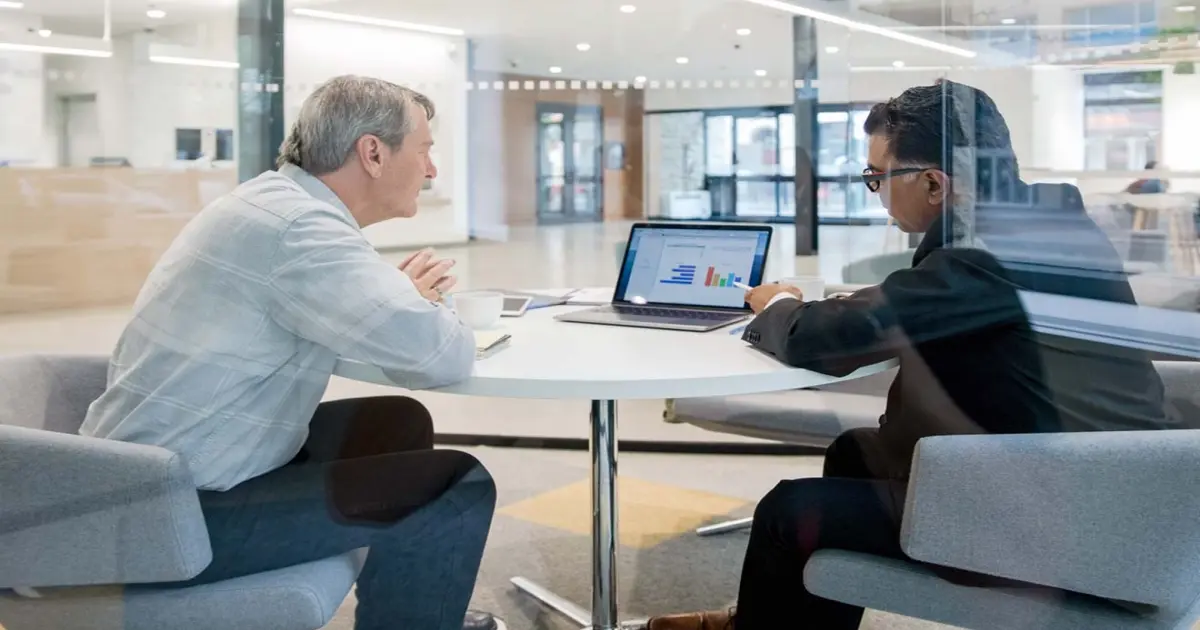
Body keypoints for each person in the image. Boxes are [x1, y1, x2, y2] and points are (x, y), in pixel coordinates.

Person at [647, 80, 1173, 630]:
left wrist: (777, 303)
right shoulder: (1043, 224)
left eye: (877, 176)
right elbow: (938, 308)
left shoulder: (984, 255)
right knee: (856, 452)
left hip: (1070, 520)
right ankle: (776, 619)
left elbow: (822, 341)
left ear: (932, 183)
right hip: (1098, 480)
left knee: (788, 509)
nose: (873, 189)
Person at [81, 75, 503, 630]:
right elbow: (440, 356)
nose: (431, 170)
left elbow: (370, 318)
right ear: (372, 153)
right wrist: (418, 303)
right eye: (425, 150)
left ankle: (416, 608)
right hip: (169, 517)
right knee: (456, 487)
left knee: (395, 421)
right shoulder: (302, 230)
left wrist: (397, 300)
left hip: (152, 480)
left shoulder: (273, 205)